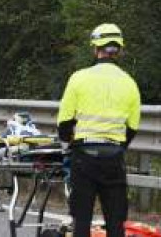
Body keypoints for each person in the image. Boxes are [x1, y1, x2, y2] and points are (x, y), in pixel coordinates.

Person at [57, 23, 141, 237]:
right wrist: (119, 147)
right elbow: (132, 127)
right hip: (113, 157)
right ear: (119, 51)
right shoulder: (130, 83)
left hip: (84, 156)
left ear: (96, 49)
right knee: (115, 221)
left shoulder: (79, 77)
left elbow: (65, 122)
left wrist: (68, 145)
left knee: (82, 219)